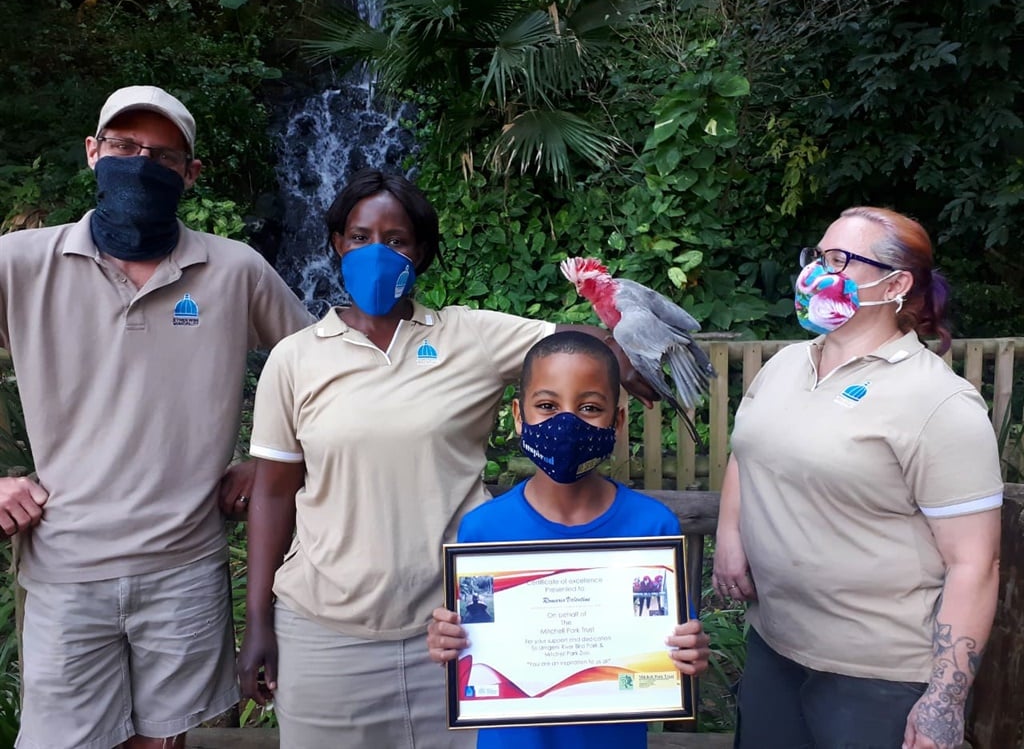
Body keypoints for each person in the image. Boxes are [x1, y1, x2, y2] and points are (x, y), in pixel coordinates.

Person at [236, 170, 658, 749]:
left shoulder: (470, 336)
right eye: (360, 237)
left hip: (462, 632)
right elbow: (274, 491)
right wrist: (258, 619)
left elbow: (570, 342)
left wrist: (624, 356)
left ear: (423, 251)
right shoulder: (294, 359)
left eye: (397, 239)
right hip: (326, 638)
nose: (377, 253)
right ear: (337, 243)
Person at [0, 85, 313, 749]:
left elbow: (323, 373)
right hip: (64, 567)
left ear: (191, 174)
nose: (140, 163)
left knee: (170, 743)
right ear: (93, 152)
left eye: (163, 156)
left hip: (187, 566)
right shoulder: (19, 264)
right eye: (123, 147)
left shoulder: (235, 271)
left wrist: (271, 459)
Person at [713, 206, 1003, 749]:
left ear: (895, 284)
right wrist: (730, 537)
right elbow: (745, 452)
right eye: (819, 256)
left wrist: (943, 701)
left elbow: (975, 562)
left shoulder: (940, 402)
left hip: (877, 677)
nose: (816, 272)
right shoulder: (785, 365)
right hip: (773, 645)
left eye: (841, 260)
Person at [427, 331, 710, 749]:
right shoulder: (484, 531)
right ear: (519, 416)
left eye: (590, 407)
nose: (566, 422)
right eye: (546, 406)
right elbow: (475, 648)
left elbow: (671, 644)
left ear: (617, 421)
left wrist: (690, 652)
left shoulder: (651, 527)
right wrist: (449, 642)